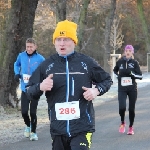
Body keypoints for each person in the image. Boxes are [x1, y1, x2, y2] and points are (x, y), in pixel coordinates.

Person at [26, 20, 112, 149]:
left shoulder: (86, 62)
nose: (62, 43)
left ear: (73, 42)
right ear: (54, 42)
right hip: (58, 128)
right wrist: (40, 87)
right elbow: (29, 91)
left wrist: (96, 91)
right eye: (58, 39)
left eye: (66, 39)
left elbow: (107, 80)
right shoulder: (46, 65)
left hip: (82, 127)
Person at [14, 38, 45, 141]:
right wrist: (17, 73)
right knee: (24, 112)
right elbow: (16, 64)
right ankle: (28, 125)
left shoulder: (40, 58)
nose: (29, 48)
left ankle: (34, 133)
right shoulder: (21, 56)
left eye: (31, 46)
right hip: (24, 88)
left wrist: (42, 80)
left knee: (32, 112)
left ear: (35, 47)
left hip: (35, 88)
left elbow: (45, 69)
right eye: (27, 46)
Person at [113, 45, 143, 135]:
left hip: (132, 89)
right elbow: (114, 71)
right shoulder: (120, 62)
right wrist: (118, 76)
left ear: (132, 52)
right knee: (122, 107)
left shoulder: (135, 63)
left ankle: (130, 127)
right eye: (126, 50)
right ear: (124, 52)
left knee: (131, 109)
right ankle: (122, 123)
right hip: (122, 88)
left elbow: (140, 76)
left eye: (130, 50)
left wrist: (133, 74)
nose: (128, 52)